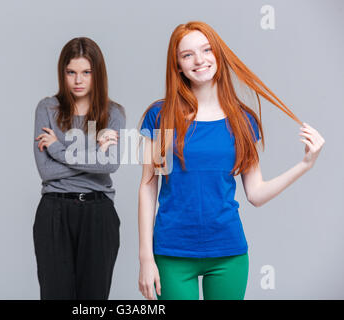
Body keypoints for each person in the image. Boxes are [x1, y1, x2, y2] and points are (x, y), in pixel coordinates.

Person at [137, 21, 325, 300]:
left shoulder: (243, 119)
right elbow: (148, 186)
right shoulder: (159, 115)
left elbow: (256, 194)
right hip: (172, 252)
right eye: (187, 55)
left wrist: (305, 164)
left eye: (206, 50)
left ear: (218, 55)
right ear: (177, 65)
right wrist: (145, 259)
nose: (200, 60)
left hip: (228, 254)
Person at [33, 37, 126, 300]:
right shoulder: (47, 109)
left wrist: (57, 150)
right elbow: (46, 172)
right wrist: (94, 156)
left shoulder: (113, 113)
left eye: (86, 72)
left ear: (98, 74)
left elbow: (110, 163)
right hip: (54, 212)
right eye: (71, 72)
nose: (78, 80)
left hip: (99, 213)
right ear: (62, 73)